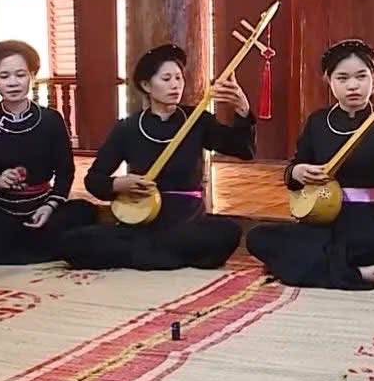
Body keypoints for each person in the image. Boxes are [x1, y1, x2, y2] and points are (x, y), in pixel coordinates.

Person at [245, 39, 374, 289]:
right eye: (342, 78)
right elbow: (294, 172)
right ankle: (354, 274)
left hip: (373, 218)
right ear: (329, 81)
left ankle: (310, 267)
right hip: (324, 218)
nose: (353, 85)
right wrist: (297, 172)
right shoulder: (318, 122)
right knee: (258, 237)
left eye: (361, 76)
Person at [59, 44, 256, 270]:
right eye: (166, 79)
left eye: (179, 78)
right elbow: (94, 180)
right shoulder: (128, 128)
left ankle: (146, 255)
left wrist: (242, 111)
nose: (175, 85)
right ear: (146, 85)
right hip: (141, 222)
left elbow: (244, 150)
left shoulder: (197, 120)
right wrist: (119, 184)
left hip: (185, 222)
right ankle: (168, 256)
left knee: (228, 232)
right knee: (72, 243)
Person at [0, 40, 97, 265]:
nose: (13, 82)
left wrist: (49, 206)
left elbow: (65, 172)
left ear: (32, 77)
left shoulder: (51, 120)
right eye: (4, 76)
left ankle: (6, 252)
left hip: (42, 209)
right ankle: (36, 250)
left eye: (20, 75)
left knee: (84, 211)